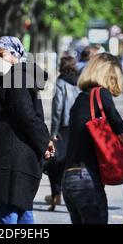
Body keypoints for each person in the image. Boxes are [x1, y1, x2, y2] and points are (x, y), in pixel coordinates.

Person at [0, 36, 54, 224]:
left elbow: (26, 115)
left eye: (0, 54)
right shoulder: (15, 77)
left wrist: (44, 142)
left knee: (8, 216)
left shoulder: (16, 77)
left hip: (9, 163)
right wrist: (44, 142)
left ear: (14, 55)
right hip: (14, 160)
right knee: (22, 212)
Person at [63, 53, 123, 224]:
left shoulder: (80, 99)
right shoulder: (100, 94)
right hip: (86, 180)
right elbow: (122, 133)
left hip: (69, 179)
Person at [44, 56, 80, 211]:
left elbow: (58, 109)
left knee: (54, 164)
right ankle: (73, 197)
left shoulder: (60, 82)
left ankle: (55, 196)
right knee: (72, 163)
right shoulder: (80, 82)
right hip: (77, 127)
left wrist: (53, 132)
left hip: (63, 128)